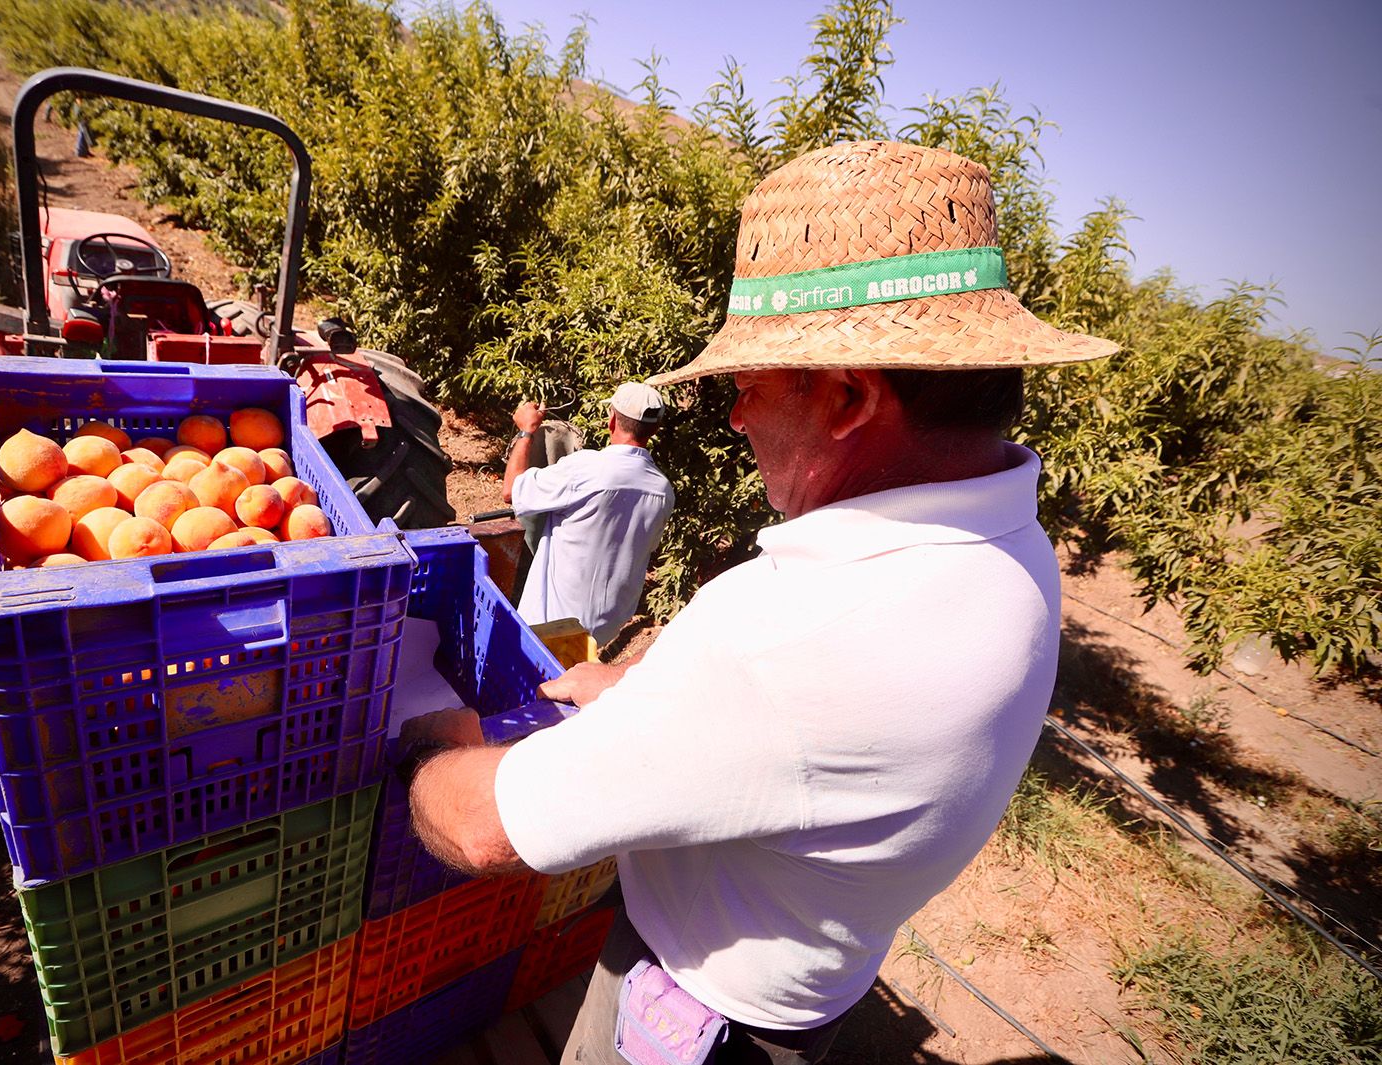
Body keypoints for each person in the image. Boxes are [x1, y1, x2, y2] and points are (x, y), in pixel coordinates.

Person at [403, 141, 1117, 1063]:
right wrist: (641, 694)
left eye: (747, 388)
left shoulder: (788, 632)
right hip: (811, 992)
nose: (737, 419)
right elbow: (801, 741)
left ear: (851, 397)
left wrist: (435, 742)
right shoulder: (1010, 550)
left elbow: (485, 827)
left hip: (692, 1020)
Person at [501, 381, 675, 646]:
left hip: (552, 627)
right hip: (605, 630)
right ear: (655, 429)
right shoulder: (662, 489)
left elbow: (512, 491)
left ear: (612, 420)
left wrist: (526, 431)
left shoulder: (586, 469)